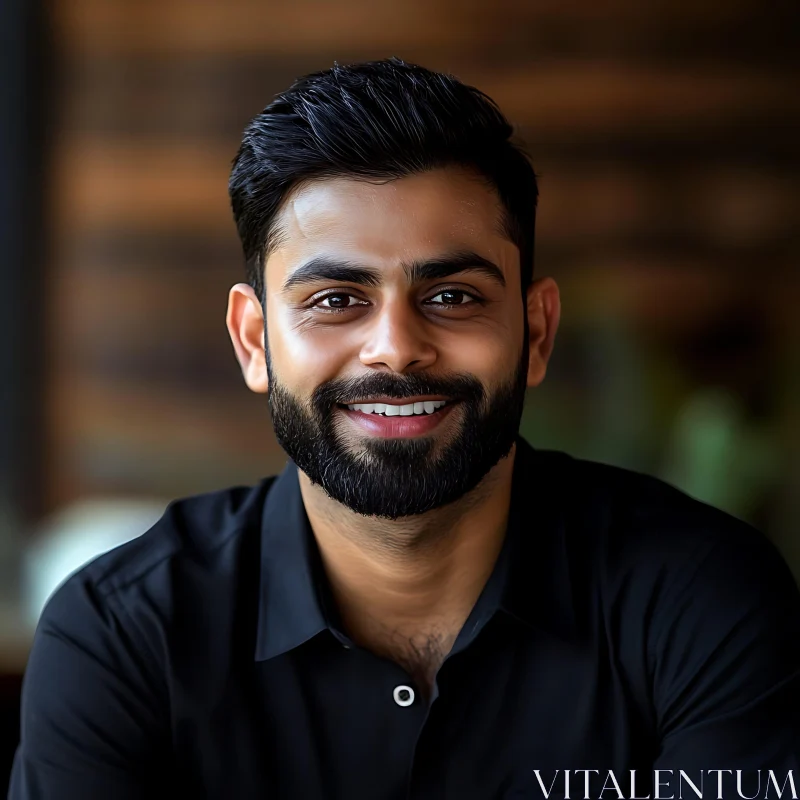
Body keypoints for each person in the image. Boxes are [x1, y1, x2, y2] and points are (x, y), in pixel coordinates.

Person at [9, 58, 800, 800]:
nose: (395, 347)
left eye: (453, 296)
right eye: (335, 299)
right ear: (255, 341)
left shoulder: (701, 598)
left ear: (536, 332)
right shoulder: (123, 636)